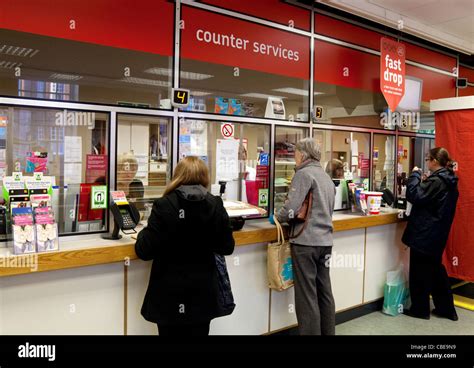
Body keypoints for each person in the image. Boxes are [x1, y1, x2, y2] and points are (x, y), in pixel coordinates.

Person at [135, 156, 235, 336]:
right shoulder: (215, 204)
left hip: (169, 296)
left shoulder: (164, 205)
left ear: (177, 176)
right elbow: (227, 247)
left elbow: (144, 250)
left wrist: (143, 233)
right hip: (203, 296)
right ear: (205, 176)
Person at [276, 138, 336, 335]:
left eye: (295, 153)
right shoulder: (326, 177)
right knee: (324, 292)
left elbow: (290, 209)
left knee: (306, 296)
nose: (294, 156)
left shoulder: (303, 174)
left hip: (305, 243)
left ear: (302, 154)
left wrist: (277, 217)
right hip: (325, 242)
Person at [402, 147, 459, 321]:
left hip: (424, 233)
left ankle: (420, 309)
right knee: (436, 271)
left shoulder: (436, 181)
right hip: (438, 234)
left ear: (434, 160)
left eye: (427, 159)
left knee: (419, 273)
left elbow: (414, 195)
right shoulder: (448, 179)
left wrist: (415, 176)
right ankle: (447, 309)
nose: (426, 162)